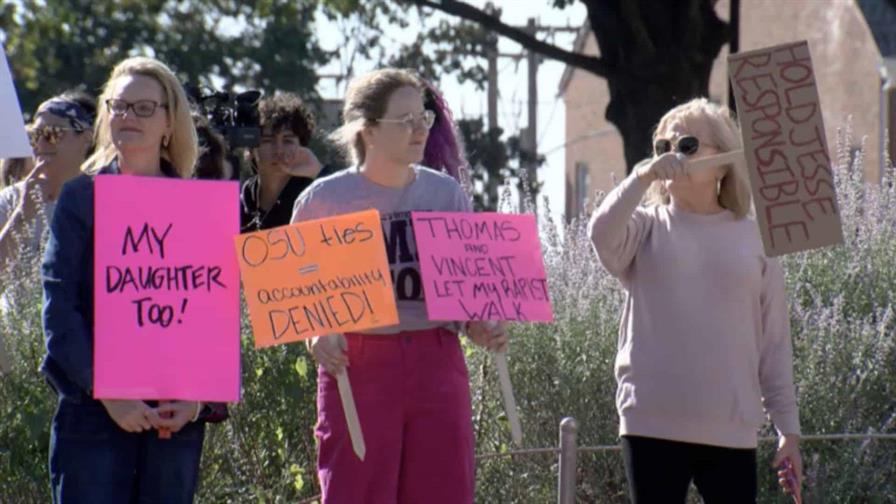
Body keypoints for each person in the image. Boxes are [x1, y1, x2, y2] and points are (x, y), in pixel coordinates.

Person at [291, 68, 507, 504]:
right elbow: (295, 294)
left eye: (423, 117)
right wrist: (314, 333)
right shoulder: (322, 201)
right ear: (367, 130)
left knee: (442, 491)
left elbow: (466, 294)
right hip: (359, 364)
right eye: (404, 120)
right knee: (357, 491)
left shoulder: (446, 196)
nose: (420, 129)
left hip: (437, 362)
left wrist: (480, 325)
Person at [589, 98, 802, 503]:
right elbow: (600, 235)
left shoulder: (755, 240)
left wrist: (787, 431)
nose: (671, 158)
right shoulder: (645, 228)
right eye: (662, 148)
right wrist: (640, 177)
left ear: (722, 163)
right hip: (650, 422)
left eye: (686, 146)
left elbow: (774, 345)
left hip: (731, 427)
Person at [41, 56, 224, 504]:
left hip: (173, 421)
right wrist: (108, 390)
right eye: (118, 106)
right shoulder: (81, 197)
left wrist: (199, 400)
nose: (127, 117)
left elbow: (212, 316)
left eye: (143, 108)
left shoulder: (198, 206)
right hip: (94, 416)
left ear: (169, 122)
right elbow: (59, 306)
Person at [240, 92, 322, 232]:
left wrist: (320, 173)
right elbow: (200, 251)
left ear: (302, 147)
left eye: (288, 141)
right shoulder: (238, 203)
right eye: (268, 140)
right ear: (252, 149)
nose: (279, 150)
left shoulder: (316, 200)